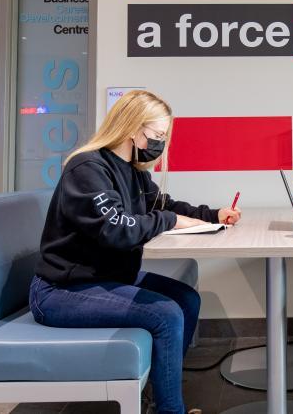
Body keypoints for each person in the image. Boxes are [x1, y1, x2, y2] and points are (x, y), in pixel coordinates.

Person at [29, 89, 241, 414]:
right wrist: (169, 221)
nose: (160, 143)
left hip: (109, 278)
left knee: (187, 299)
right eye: (157, 135)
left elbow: (162, 205)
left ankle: (157, 397)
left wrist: (212, 215)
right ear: (132, 128)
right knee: (166, 313)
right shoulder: (87, 167)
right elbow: (119, 231)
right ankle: (170, 410)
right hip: (61, 291)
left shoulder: (133, 171)